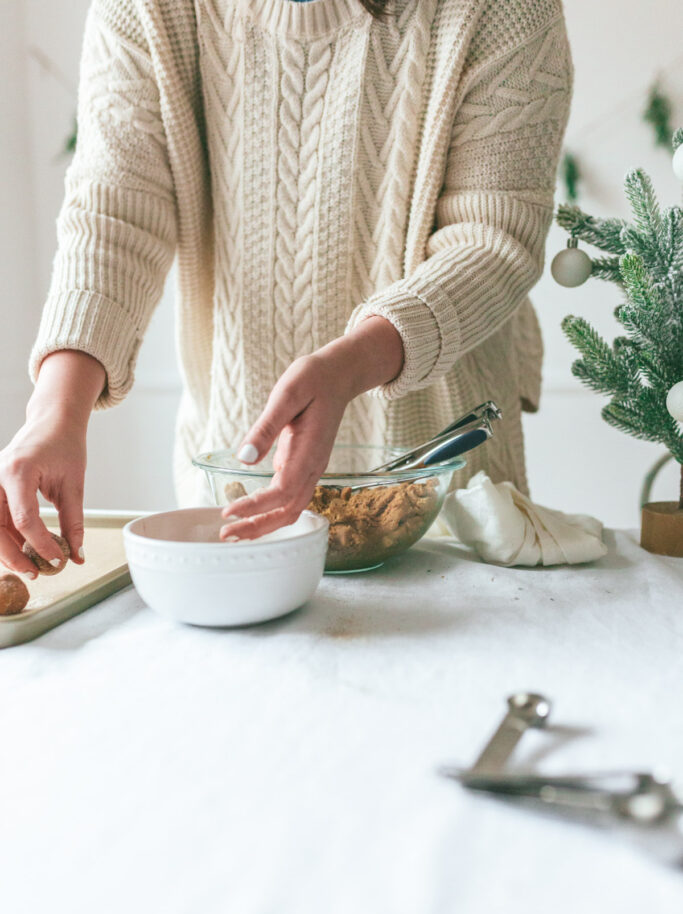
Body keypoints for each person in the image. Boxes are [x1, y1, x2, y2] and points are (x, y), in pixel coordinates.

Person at [0, 0, 573, 574]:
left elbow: (493, 238)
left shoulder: (503, 10)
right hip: (238, 473)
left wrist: (350, 366)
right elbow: (115, 217)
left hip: (441, 488)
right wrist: (56, 412)